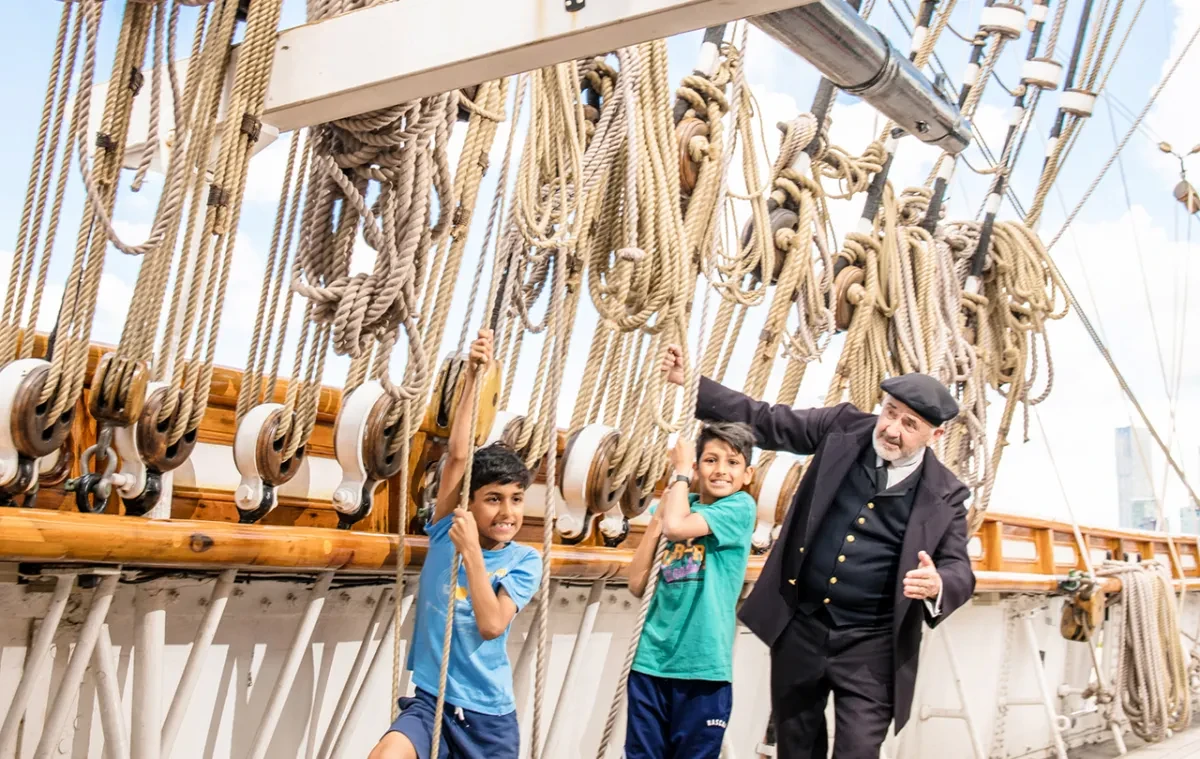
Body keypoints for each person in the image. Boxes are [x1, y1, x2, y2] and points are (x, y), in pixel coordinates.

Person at [661, 345, 975, 759]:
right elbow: (766, 420)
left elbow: (958, 568)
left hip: (873, 647)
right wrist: (692, 384)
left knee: (858, 751)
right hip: (801, 630)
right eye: (891, 412)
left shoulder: (947, 493)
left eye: (910, 424)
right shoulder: (841, 427)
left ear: (936, 435)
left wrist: (938, 583)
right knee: (796, 748)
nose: (892, 429)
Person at [369, 329, 542, 759]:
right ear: (469, 501)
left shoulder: (525, 560)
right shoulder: (448, 529)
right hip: (432, 702)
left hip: (487, 720)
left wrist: (472, 554)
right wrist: (471, 379)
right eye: (493, 499)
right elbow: (460, 456)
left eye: (516, 500)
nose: (507, 512)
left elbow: (492, 624)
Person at [624, 421, 759, 759]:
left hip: (703, 669)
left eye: (732, 462)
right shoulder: (675, 508)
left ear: (748, 475)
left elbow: (679, 527)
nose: (721, 470)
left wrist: (681, 472)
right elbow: (637, 583)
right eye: (711, 460)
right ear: (699, 467)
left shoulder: (739, 508)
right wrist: (659, 517)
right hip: (650, 664)